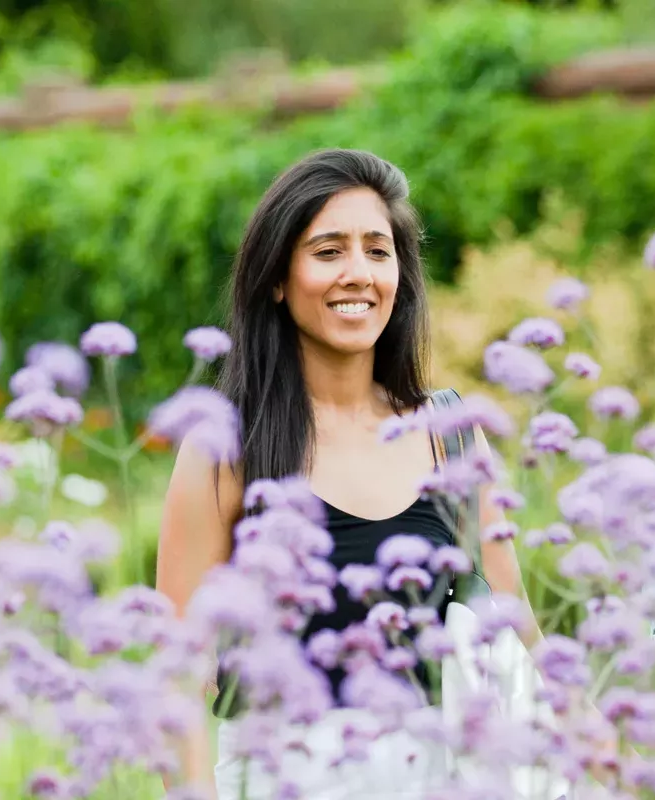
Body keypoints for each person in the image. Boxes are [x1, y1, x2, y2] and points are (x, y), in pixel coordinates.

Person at [153, 148, 533, 799]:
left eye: (377, 252)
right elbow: (180, 676)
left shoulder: (450, 437)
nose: (358, 274)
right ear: (277, 277)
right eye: (328, 252)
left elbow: (519, 629)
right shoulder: (224, 447)